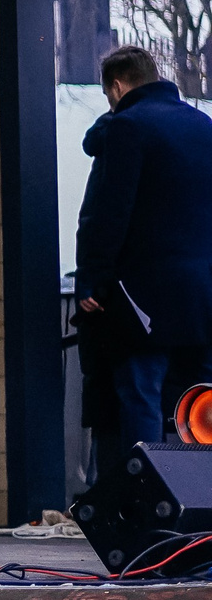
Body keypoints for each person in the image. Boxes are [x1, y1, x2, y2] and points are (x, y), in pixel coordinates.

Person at [75, 45, 212, 454]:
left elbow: (108, 213)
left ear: (116, 87)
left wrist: (92, 282)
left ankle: (143, 506)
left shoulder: (126, 128)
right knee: (199, 407)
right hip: (203, 298)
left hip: (143, 300)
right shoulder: (203, 125)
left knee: (140, 397)